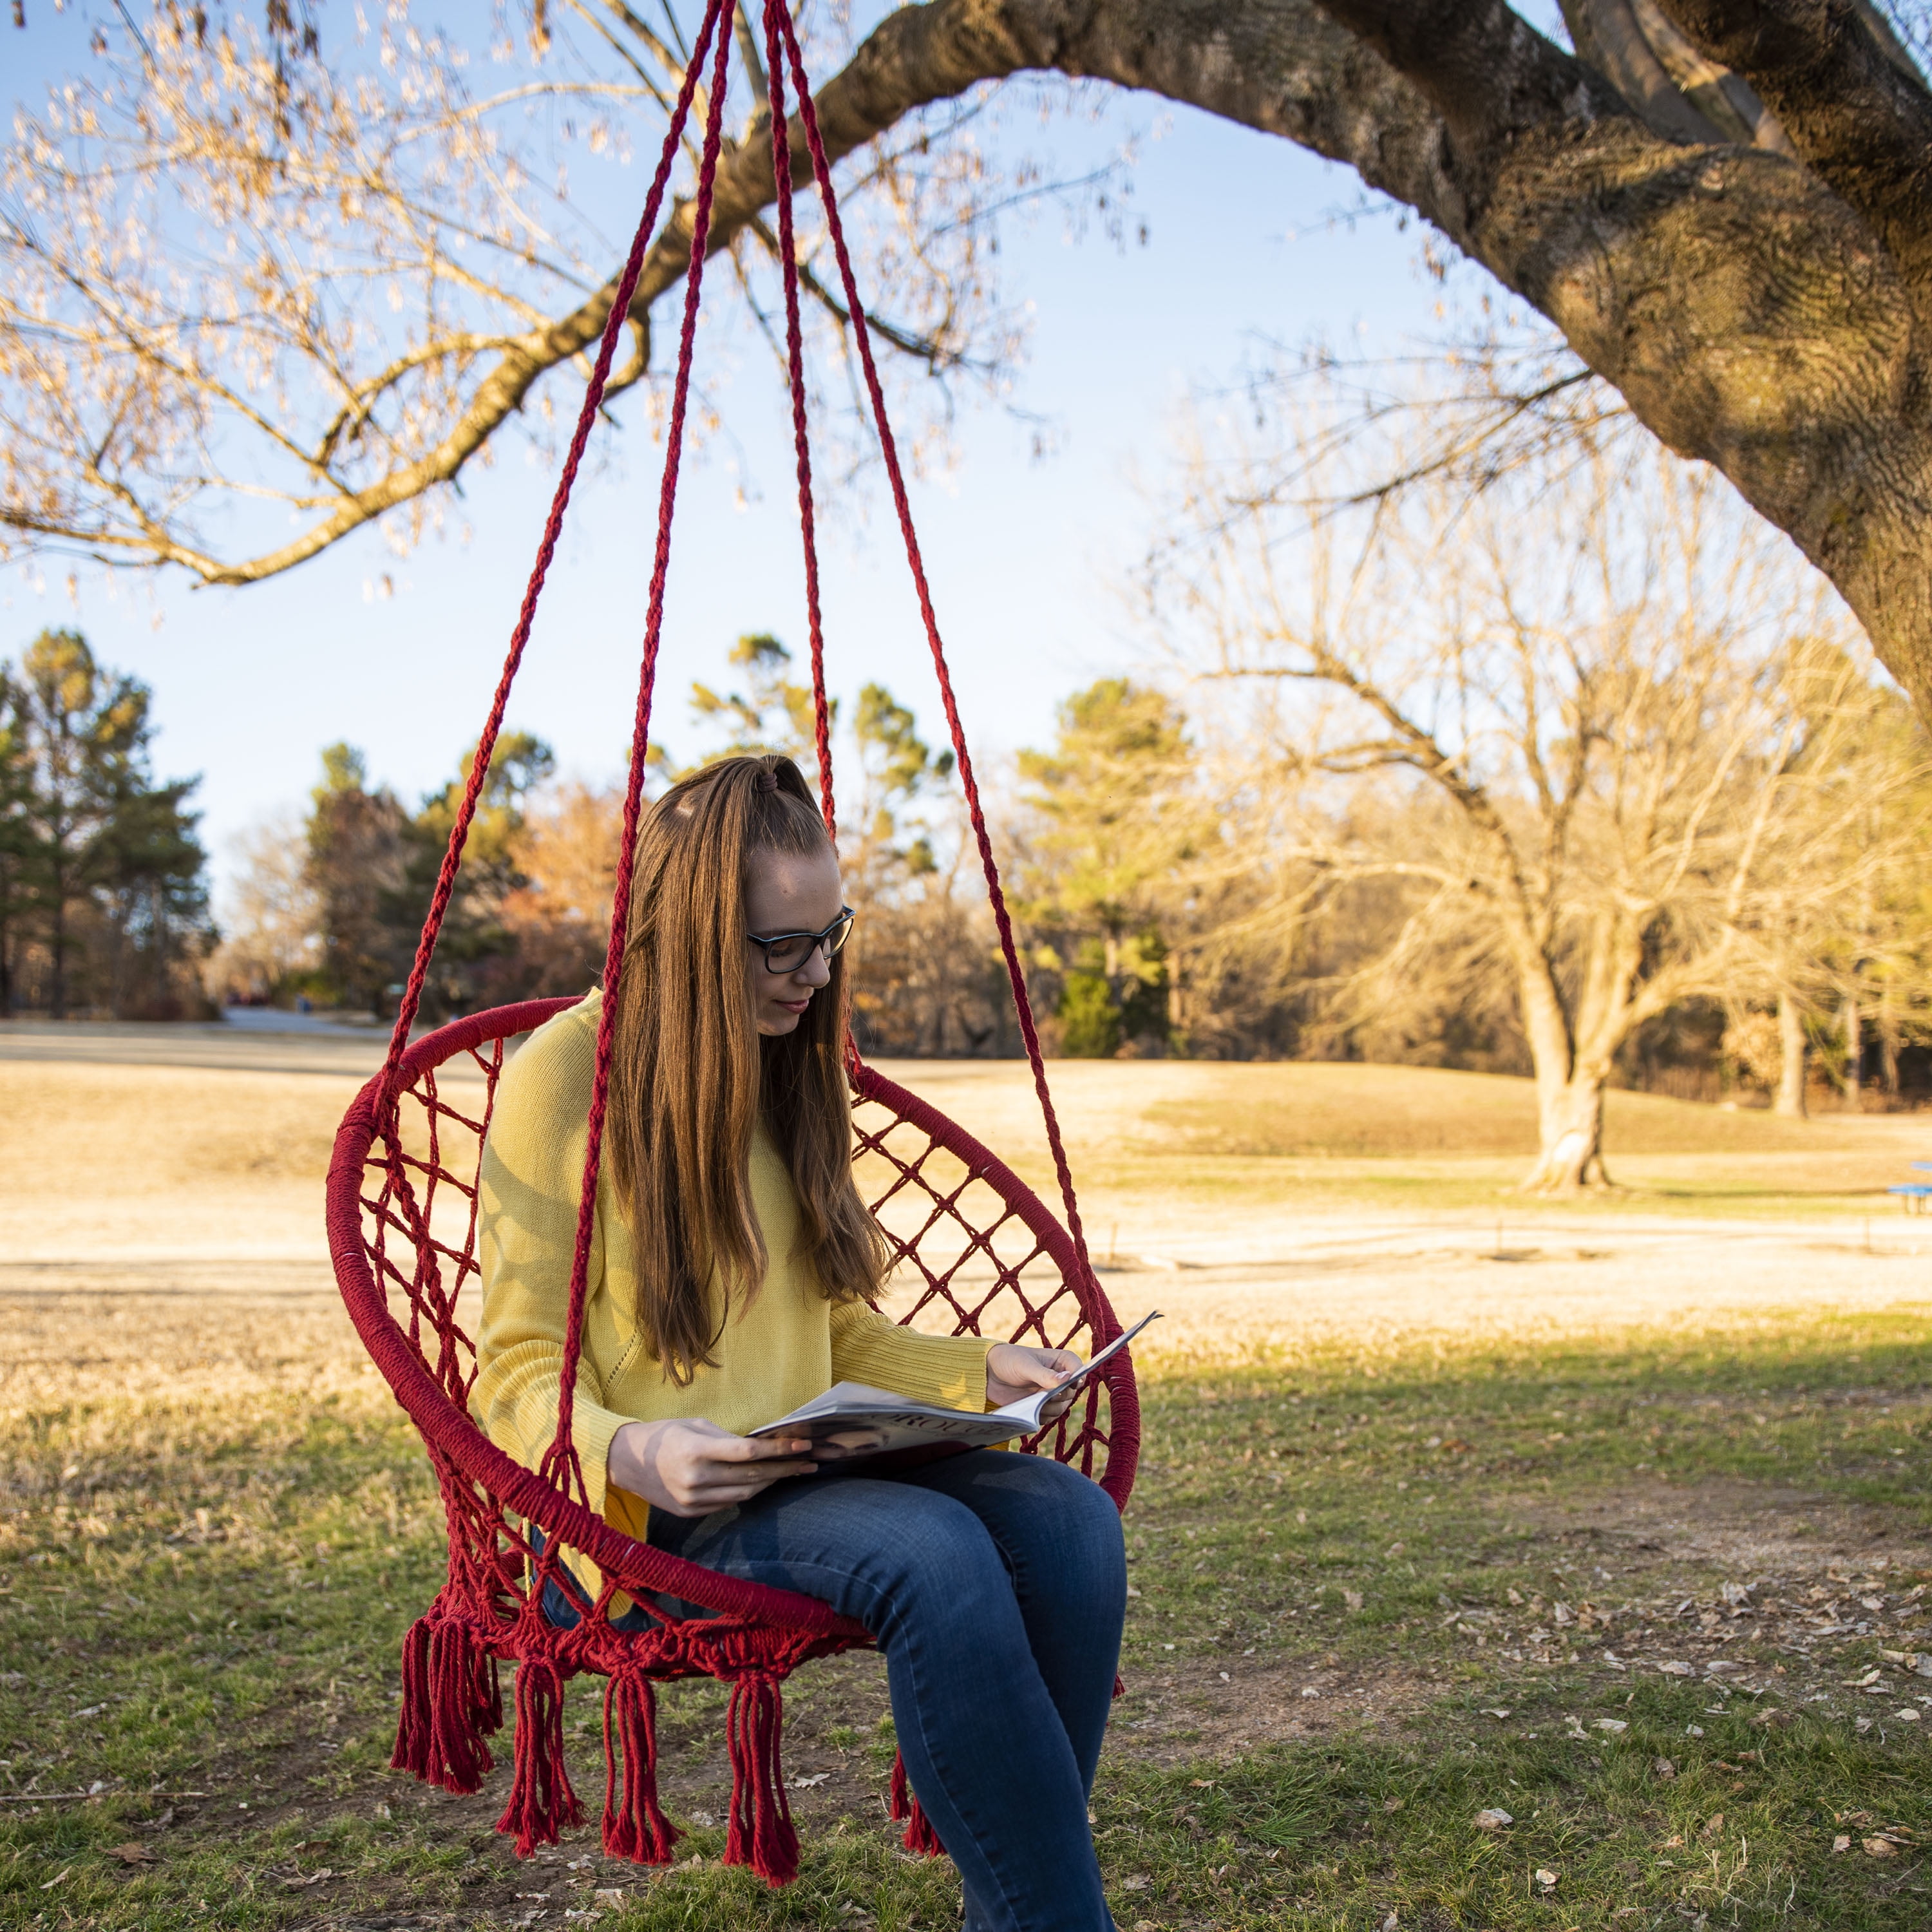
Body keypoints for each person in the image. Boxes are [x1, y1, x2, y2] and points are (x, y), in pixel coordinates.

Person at [473, 753, 1126, 1932]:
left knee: (1070, 1523)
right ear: (685, 935)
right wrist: (633, 1451)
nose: (817, 974)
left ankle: (1023, 1908)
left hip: (798, 1464)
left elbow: (825, 1324)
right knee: (933, 1551)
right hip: (640, 1517)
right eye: (782, 946)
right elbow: (512, 1372)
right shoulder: (565, 1079)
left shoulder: (782, 1061)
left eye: (831, 934)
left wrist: (972, 1369)